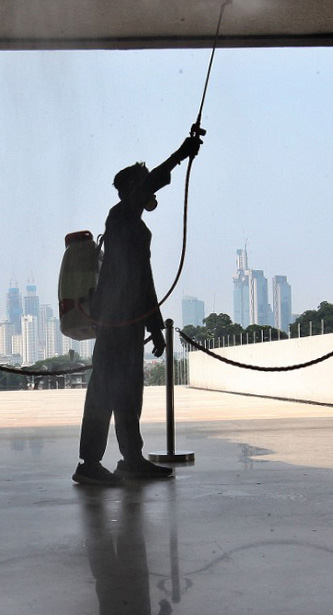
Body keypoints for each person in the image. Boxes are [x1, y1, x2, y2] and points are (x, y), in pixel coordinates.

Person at [73, 132, 203, 486]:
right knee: (104, 391)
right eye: (145, 186)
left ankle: (131, 459)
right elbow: (136, 282)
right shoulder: (120, 216)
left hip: (125, 321)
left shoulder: (132, 225)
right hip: (115, 322)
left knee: (128, 391)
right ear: (131, 190)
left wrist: (154, 327)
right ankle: (89, 462)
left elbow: (142, 280)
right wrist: (180, 153)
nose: (152, 193)